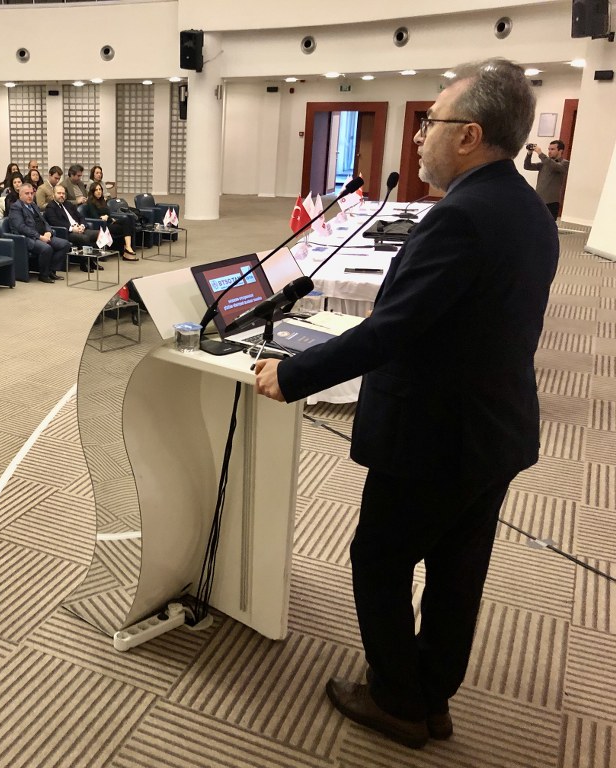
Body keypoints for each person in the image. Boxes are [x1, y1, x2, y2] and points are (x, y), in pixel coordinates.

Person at [253, 58, 559, 750]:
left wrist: (294, 375)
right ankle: (432, 697)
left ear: (470, 135)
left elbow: (391, 330)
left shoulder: (462, 218)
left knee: (379, 560)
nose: (419, 137)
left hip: (435, 434)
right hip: (495, 428)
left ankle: (397, 700)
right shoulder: (527, 209)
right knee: (457, 572)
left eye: (431, 123)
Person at [8, 183, 69, 283]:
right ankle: (43, 275)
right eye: (27, 193)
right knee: (46, 248)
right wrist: (39, 236)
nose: (30, 196)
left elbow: (44, 221)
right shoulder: (16, 207)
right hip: (27, 238)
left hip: (42, 234)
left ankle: (51, 270)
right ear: (20, 195)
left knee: (64, 244)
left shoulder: (33, 205)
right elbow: (21, 227)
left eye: (31, 193)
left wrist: (48, 231)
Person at [43, 184, 101, 272]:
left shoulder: (68, 204)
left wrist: (82, 225)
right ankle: (85, 263)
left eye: (63, 193)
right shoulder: (50, 206)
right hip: (67, 232)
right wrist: (72, 228)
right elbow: (55, 222)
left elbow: (81, 217)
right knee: (84, 238)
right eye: (59, 193)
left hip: (79, 228)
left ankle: (93, 260)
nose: (61, 195)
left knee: (98, 234)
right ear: (53, 194)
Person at [87, 181, 137, 258]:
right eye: (96, 190)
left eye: (100, 189)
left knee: (127, 219)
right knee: (125, 227)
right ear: (93, 192)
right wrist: (103, 218)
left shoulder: (102, 200)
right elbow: (94, 217)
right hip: (102, 225)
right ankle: (127, 249)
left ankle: (128, 247)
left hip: (109, 221)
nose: (99, 191)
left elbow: (108, 213)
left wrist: (108, 217)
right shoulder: (90, 203)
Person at [523, 140, 569, 220]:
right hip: (539, 200)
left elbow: (555, 166)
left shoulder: (565, 163)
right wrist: (529, 153)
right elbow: (527, 166)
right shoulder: (545, 163)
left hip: (552, 202)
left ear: (560, 151)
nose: (549, 151)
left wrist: (540, 153)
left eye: (552, 149)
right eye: (549, 149)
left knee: (549, 224)